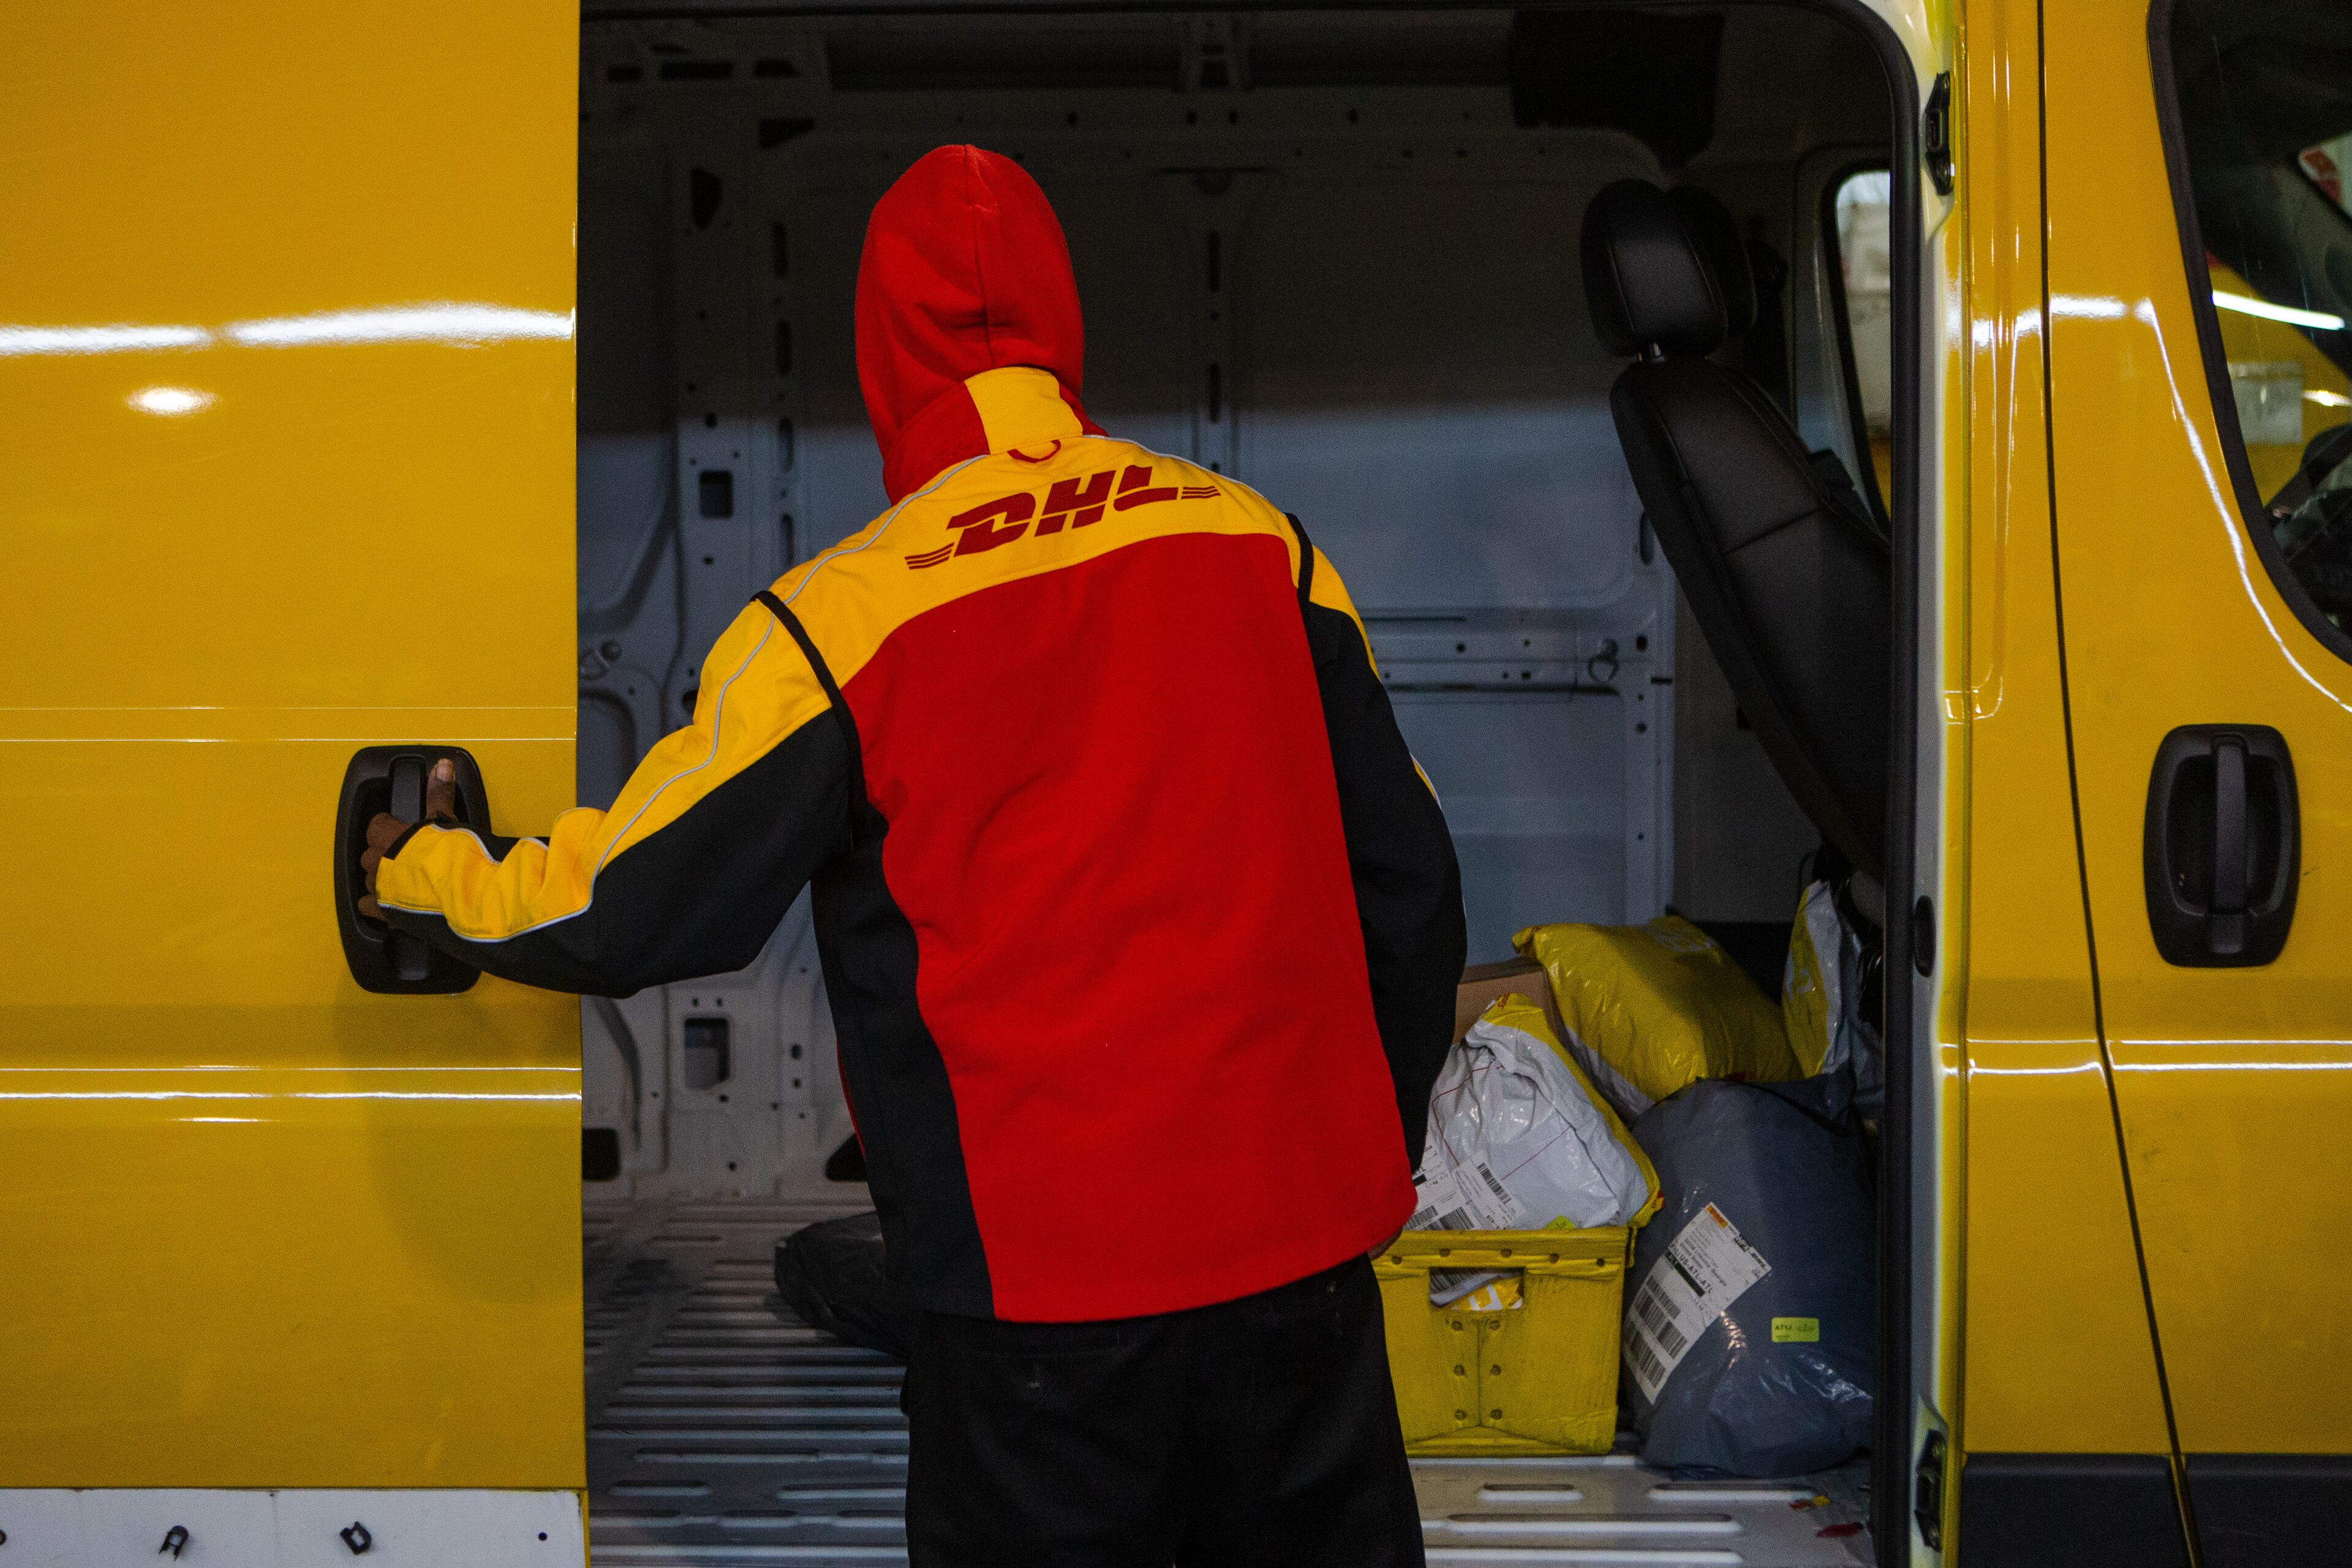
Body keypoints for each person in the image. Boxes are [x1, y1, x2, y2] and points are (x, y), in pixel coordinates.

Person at [363, 144, 1464, 1566]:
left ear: (883, 357)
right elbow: (1414, 886)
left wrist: (422, 864)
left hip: (1039, 1313)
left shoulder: (842, 622)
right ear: (1064, 328)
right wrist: (1359, 1155)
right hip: (1306, 1272)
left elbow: (624, 909)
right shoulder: (1259, 544)